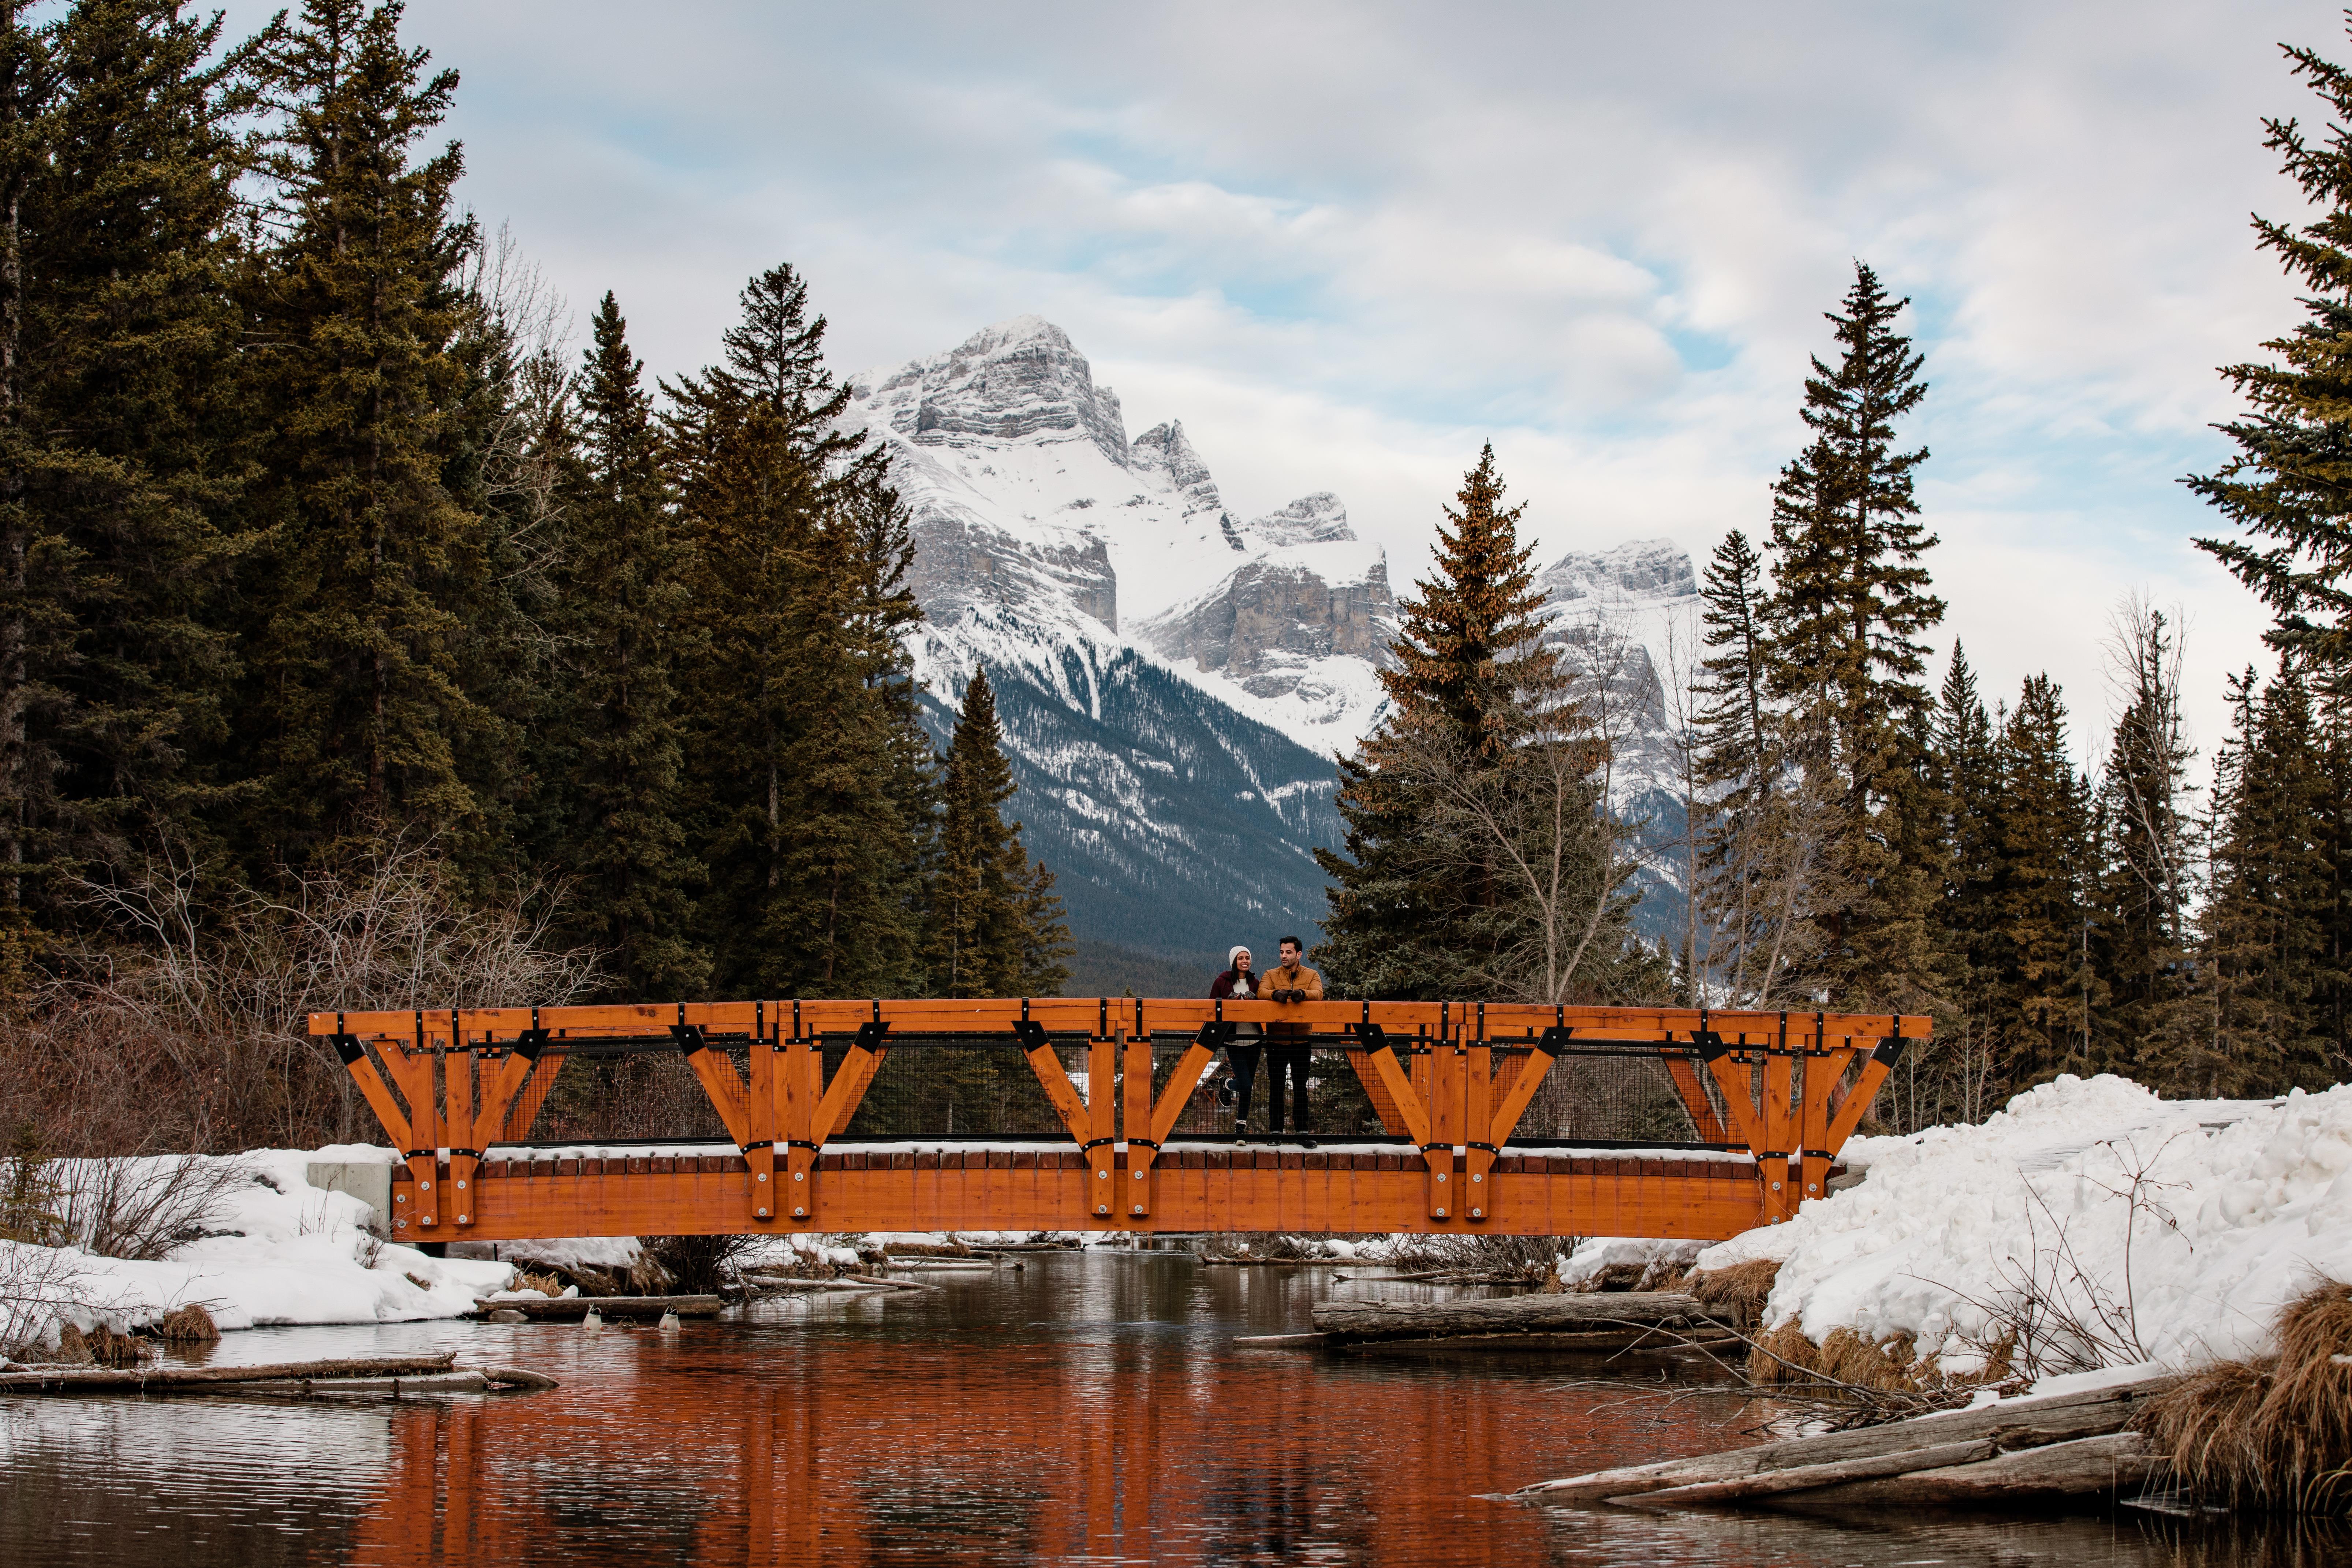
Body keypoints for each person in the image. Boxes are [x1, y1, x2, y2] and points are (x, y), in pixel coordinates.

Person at [1261, 936, 1323, 1146]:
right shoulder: (1271, 974)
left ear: (1299, 954)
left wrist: (1303, 994)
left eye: (1288, 952)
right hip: (1276, 1040)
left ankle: (1302, 1133)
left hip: (1301, 1040)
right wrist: (1275, 994)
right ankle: (1276, 1132)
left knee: (1300, 1087)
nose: (1284, 956)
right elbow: (1262, 991)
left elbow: (1319, 993)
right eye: (1281, 952)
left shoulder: (1311, 974)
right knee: (1276, 1087)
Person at [1209, 945, 1264, 1138]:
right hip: (1233, 1040)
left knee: (1248, 1086)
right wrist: (1229, 1001)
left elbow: (1265, 1006)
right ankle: (1226, 1083)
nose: (1245, 961)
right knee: (1246, 1085)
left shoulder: (1256, 983)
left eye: (1248, 958)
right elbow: (1211, 1007)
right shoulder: (1222, 982)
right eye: (1241, 958)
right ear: (1234, 961)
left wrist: (1255, 1000)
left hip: (1254, 1039)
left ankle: (1240, 1129)